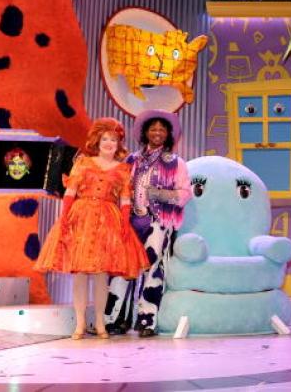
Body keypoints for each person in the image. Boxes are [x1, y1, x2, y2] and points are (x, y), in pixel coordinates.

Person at [35, 118, 149, 339]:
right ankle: (79, 324)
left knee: (100, 274)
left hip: (108, 220)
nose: (108, 143)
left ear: (118, 143)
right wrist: (65, 216)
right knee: (80, 274)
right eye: (105, 138)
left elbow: (125, 199)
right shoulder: (84, 162)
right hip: (82, 217)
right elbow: (71, 191)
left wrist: (125, 222)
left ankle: (99, 323)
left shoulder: (124, 169)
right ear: (98, 141)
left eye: (113, 139)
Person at [104, 109, 192, 337]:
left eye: (162, 129)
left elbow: (184, 194)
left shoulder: (175, 163)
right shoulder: (131, 160)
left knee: (153, 268)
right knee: (122, 268)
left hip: (158, 221)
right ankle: (114, 319)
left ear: (168, 134)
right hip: (130, 220)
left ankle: (146, 320)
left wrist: (160, 194)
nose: (157, 132)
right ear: (145, 132)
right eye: (153, 128)